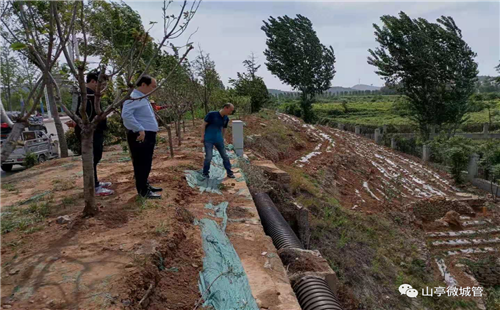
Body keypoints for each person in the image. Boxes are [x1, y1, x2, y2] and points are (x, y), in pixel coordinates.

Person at [122, 75, 162, 199]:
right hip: (141, 135)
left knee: (146, 162)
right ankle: (143, 191)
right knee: (142, 163)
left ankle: (145, 185)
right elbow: (126, 115)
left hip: (147, 134)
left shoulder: (142, 97)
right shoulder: (133, 97)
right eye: (152, 86)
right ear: (143, 85)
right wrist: (139, 129)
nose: (153, 89)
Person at [75, 71, 114, 197]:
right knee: (92, 159)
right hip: (90, 133)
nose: (103, 88)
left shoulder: (91, 94)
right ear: (93, 81)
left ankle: (95, 183)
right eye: (101, 84)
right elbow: (86, 115)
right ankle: (94, 187)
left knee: (95, 159)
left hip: (94, 132)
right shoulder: (87, 95)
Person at [201, 103, 235, 179]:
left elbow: (224, 128)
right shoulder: (211, 114)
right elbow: (203, 125)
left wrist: (223, 138)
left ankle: (229, 172)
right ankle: (205, 173)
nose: (231, 112)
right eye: (230, 110)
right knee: (208, 157)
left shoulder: (226, 118)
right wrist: (202, 136)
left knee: (225, 156)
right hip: (208, 139)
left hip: (219, 140)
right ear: (226, 108)